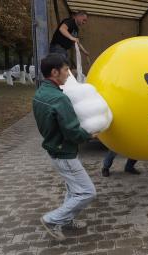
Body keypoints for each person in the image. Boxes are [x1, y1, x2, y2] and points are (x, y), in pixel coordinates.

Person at [32, 53, 96, 241]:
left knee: (73, 190)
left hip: (55, 148)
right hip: (64, 153)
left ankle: (67, 220)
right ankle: (52, 220)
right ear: (54, 72)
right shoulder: (60, 99)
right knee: (87, 192)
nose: (69, 74)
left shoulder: (40, 94)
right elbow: (73, 132)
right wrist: (89, 134)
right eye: (66, 69)